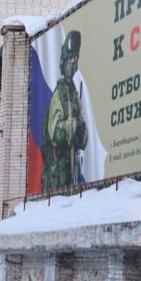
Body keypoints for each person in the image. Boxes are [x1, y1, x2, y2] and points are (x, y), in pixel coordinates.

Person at [42, 29, 88, 192]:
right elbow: (55, 133)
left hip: (72, 170)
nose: (72, 63)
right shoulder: (59, 95)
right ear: (63, 61)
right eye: (69, 59)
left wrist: (81, 132)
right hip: (58, 174)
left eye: (75, 59)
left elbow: (83, 137)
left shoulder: (74, 94)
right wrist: (74, 126)